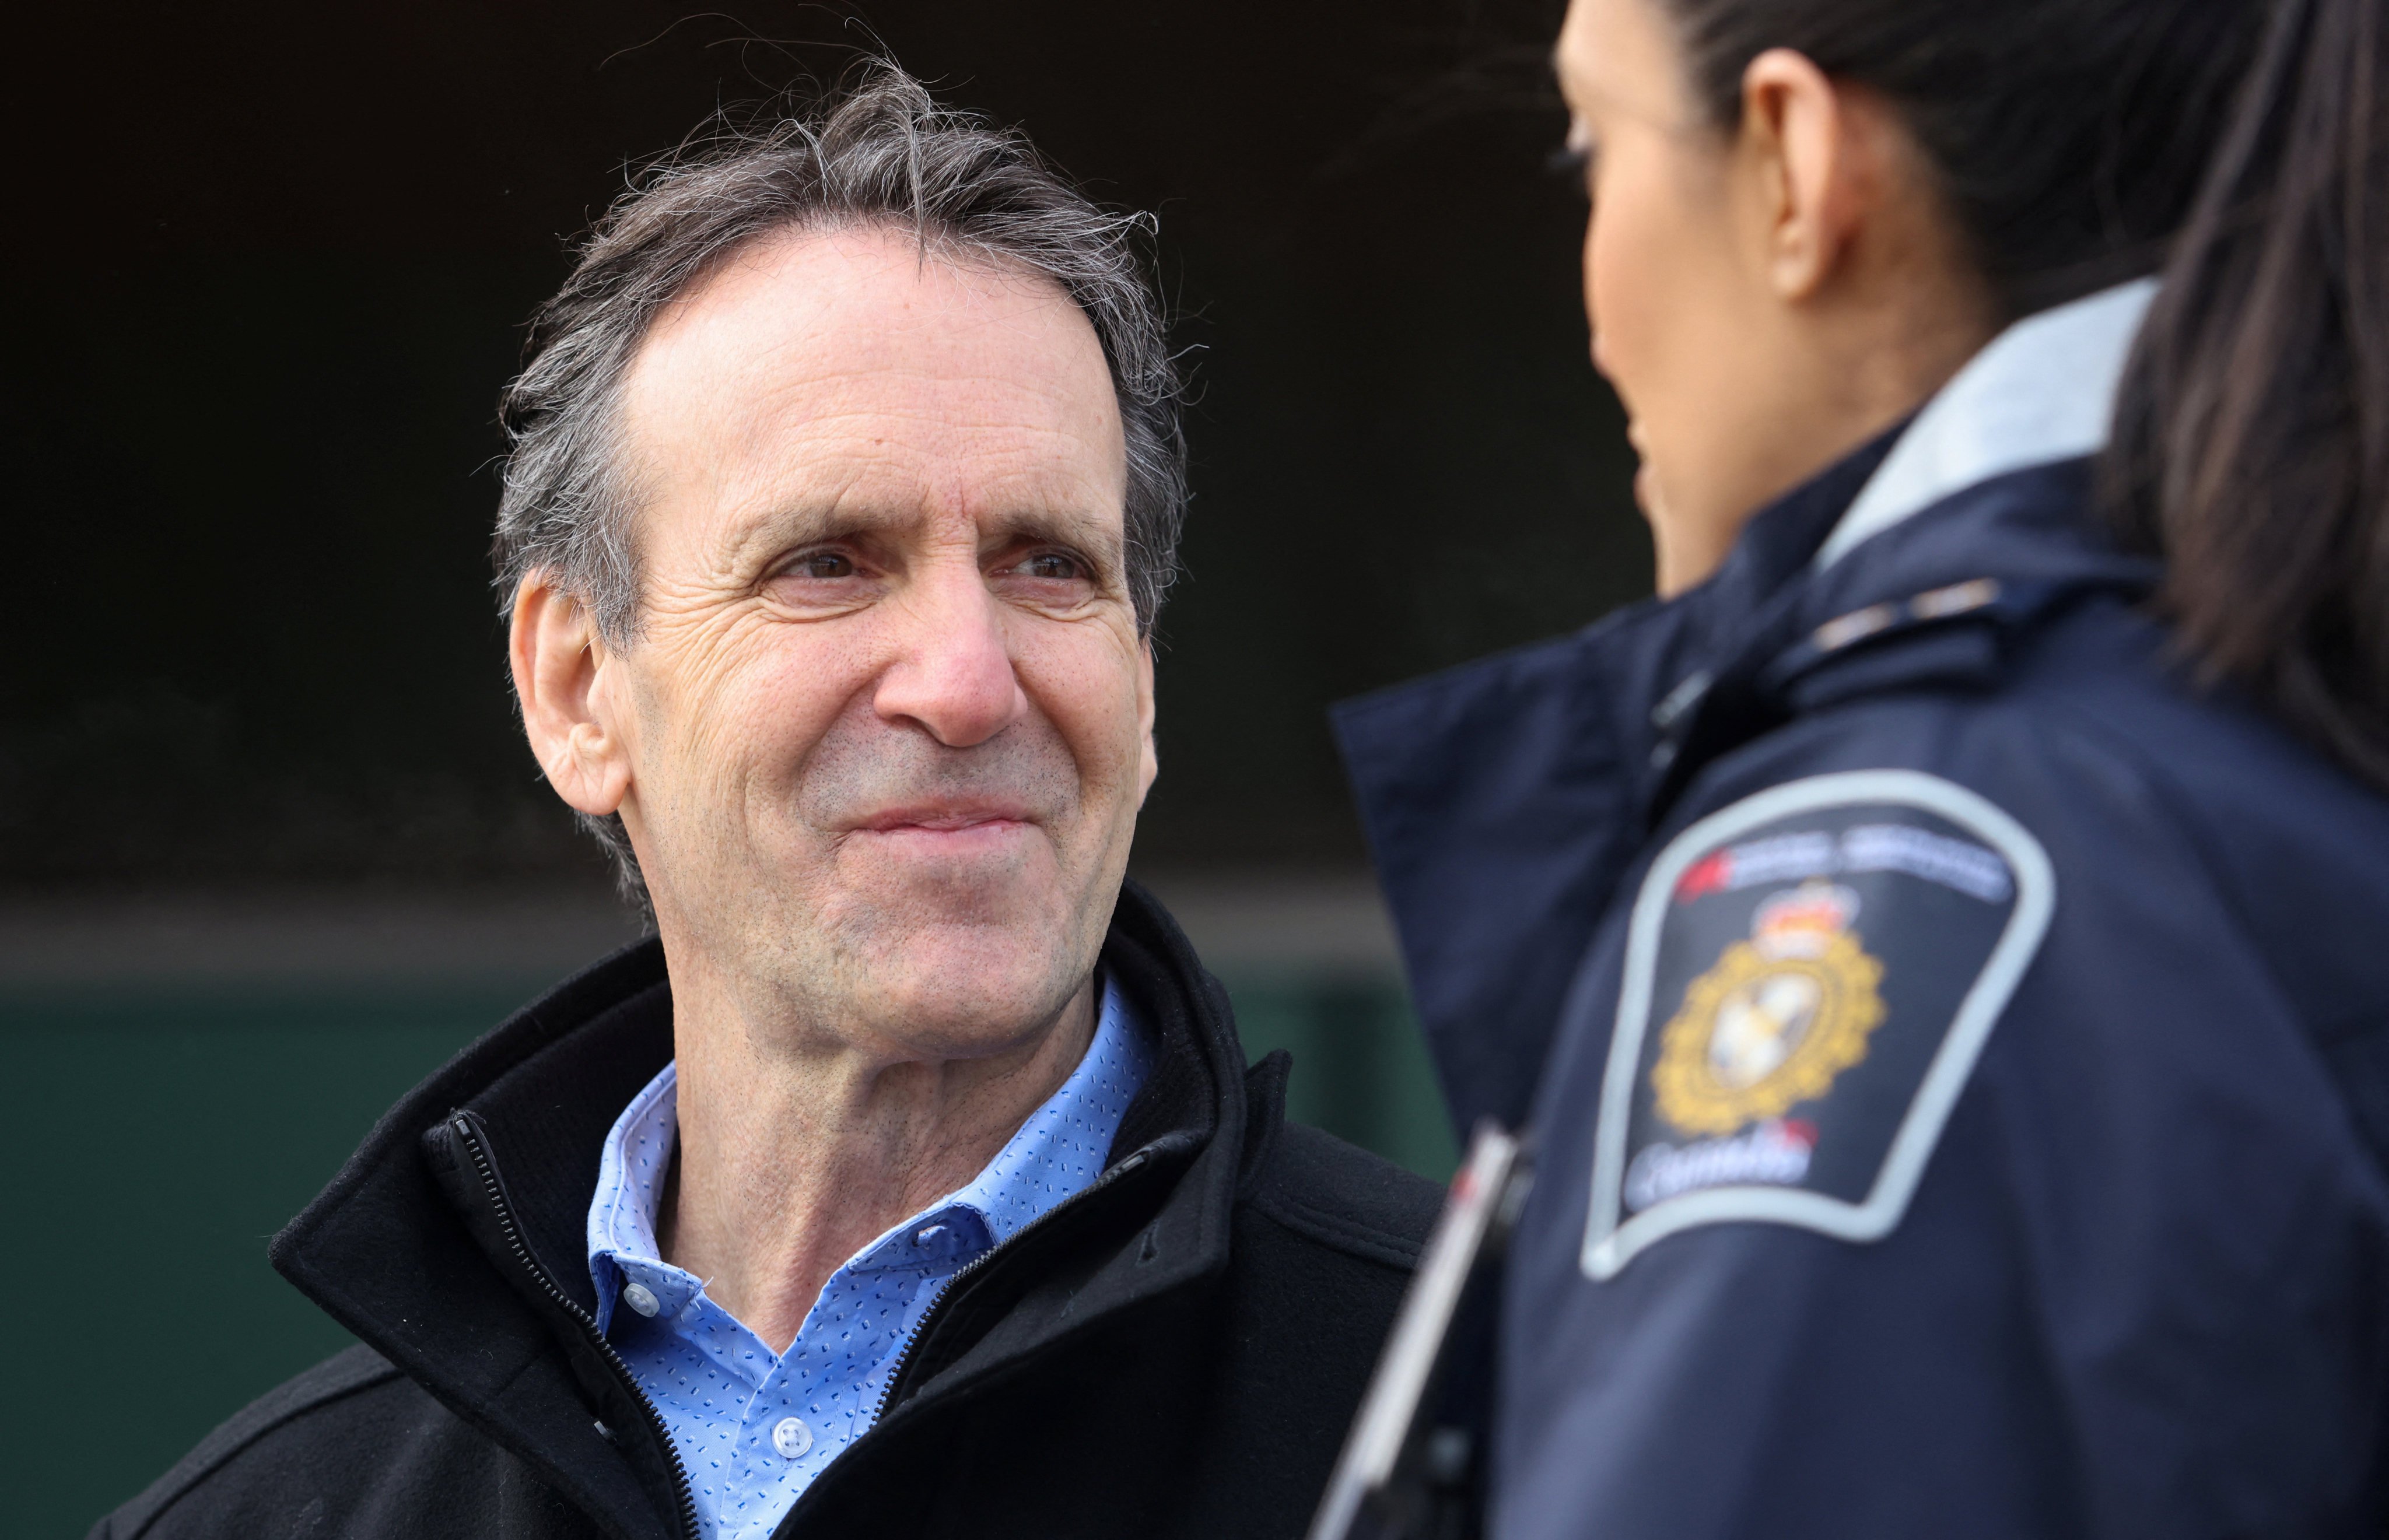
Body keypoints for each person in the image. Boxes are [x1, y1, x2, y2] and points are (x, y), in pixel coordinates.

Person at [96, 68, 1440, 1540]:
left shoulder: (1521, 1408)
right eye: (827, 563)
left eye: (1049, 563)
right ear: (574, 688)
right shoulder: (268, 1521)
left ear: (1145, 671)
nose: (966, 682)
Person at [1334, 0, 2389, 1533]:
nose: (1591, 309)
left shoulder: (1916, 854)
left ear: (1793, 163)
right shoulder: (2267, 711)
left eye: (1591, 144)